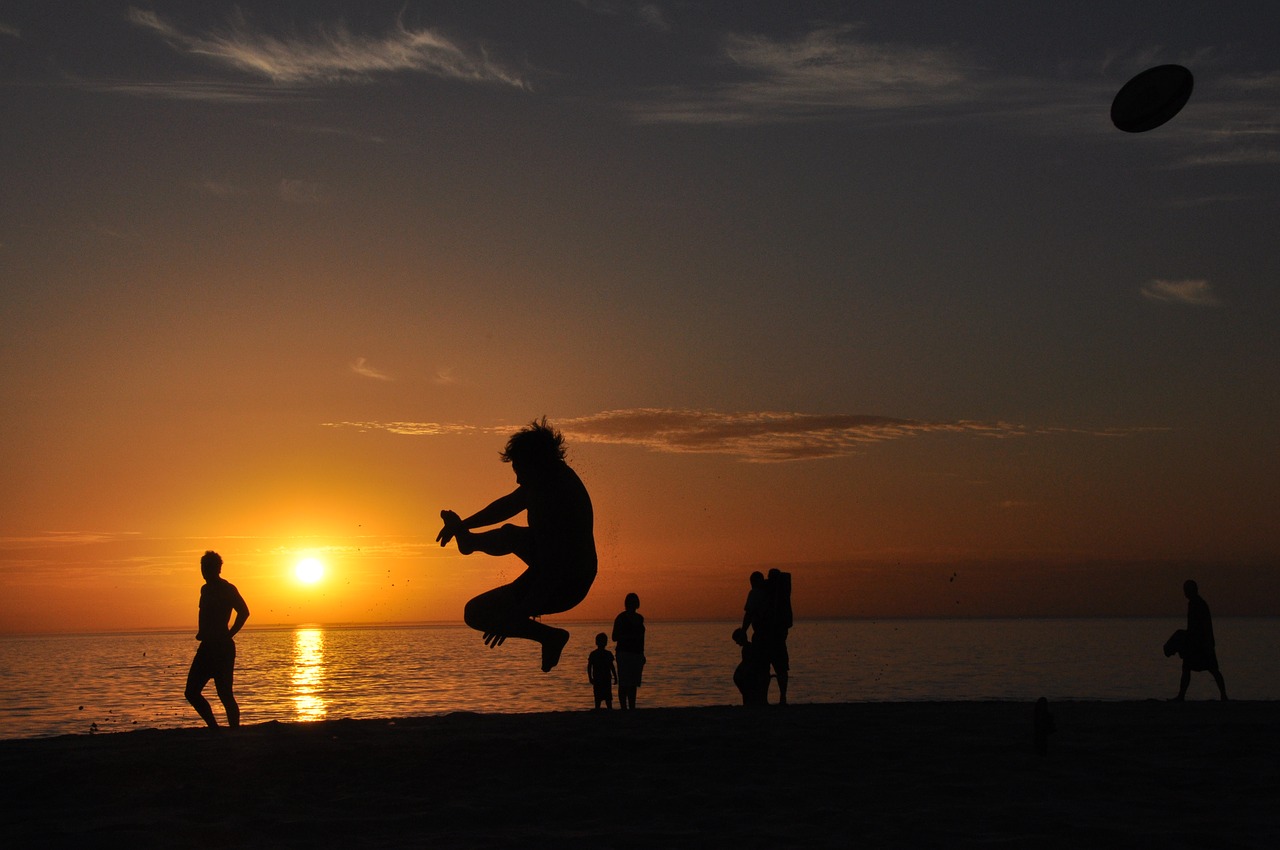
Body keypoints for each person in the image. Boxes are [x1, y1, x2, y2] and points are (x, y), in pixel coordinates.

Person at [437, 418, 598, 672]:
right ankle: (469, 542)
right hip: (550, 571)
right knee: (478, 607)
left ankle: (550, 637)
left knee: (477, 613)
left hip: (568, 582)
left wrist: (518, 615)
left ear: (536, 463)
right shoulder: (545, 481)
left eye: (520, 471)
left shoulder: (559, 495)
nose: (518, 481)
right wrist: (462, 526)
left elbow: (554, 569)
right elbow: (505, 507)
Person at [184, 550, 249, 729]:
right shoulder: (204, 589)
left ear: (217, 569)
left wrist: (230, 634)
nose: (204, 571)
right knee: (191, 692)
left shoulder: (228, 589)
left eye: (207, 567)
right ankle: (213, 727)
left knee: (225, 694)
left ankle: (234, 730)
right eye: (202, 567)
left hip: (222, 648)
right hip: (206, 647)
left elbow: (244, 612)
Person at [742, 569, 792, 705]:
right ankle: (783, 697)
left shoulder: (755, 593)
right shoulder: (777, 594)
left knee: (763, 668)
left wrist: (743, 630)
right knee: (781, 668)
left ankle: (764, 699)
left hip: (762, 636)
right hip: (778, 636)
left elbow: (749, 614)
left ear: (753, 582)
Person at [1173, 580, 1228, 701]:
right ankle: (1181, 695)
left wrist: (1206, 642)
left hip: (1201, 643)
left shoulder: (1197, 604)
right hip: (1198, 642)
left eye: (1186, 590)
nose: (1185, 593)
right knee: (1189, 668)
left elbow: (1202, 625)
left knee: (1212, 669)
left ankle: (1223, 695)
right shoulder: (1196, 603)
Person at [612, 592, 646, 710]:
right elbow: (614, 637)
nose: (633, 604)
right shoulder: (621, 618)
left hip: (636, 653)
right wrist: (628, 636)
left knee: (633, 683)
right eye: (631, 602)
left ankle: (632, 706)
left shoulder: (640, 618)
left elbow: (642, 638)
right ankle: (623, 707)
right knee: (624, 682)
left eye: (634, 602)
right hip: (624, 653)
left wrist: (642, 653)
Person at [731, 627, 769, 707]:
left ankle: (749, 702)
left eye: (737, 640)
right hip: (750, 674)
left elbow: (749, 663)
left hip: (751, 675)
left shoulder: (748, 648)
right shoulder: (747, 647)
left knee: (746, 688)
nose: (737, 643)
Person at [586, 633, 616, 710]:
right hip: (601, 679)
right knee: (602, 698)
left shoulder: (596, 654)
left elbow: (611, 666)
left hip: (602, 679)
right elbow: (589, 666)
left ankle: (601, 709)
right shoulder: (604, 654)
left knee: (603, 698)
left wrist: (590, 677)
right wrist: (615, 677)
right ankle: (605, 710)